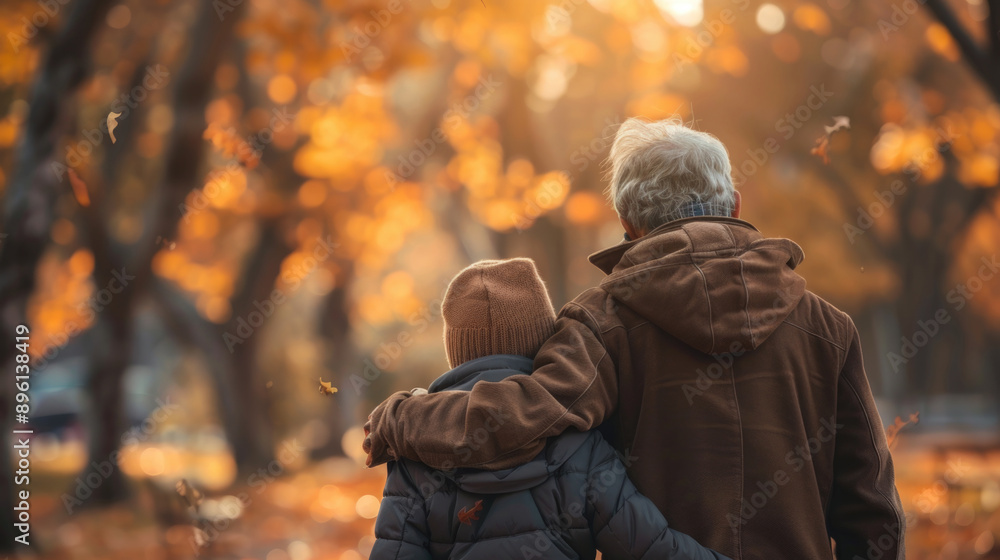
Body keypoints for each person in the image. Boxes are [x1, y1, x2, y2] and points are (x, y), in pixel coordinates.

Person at [364, 117, 905, 559]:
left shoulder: (601, 325)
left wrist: (401, 418)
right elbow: (872, 508)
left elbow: (517, 420)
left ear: (627, 221)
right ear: (735, 205)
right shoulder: (828, 328)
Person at [370, 258, 729, 560]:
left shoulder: (414, 448)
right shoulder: (578, 441)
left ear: (456, 352)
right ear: (542, 340)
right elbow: (652, 548)